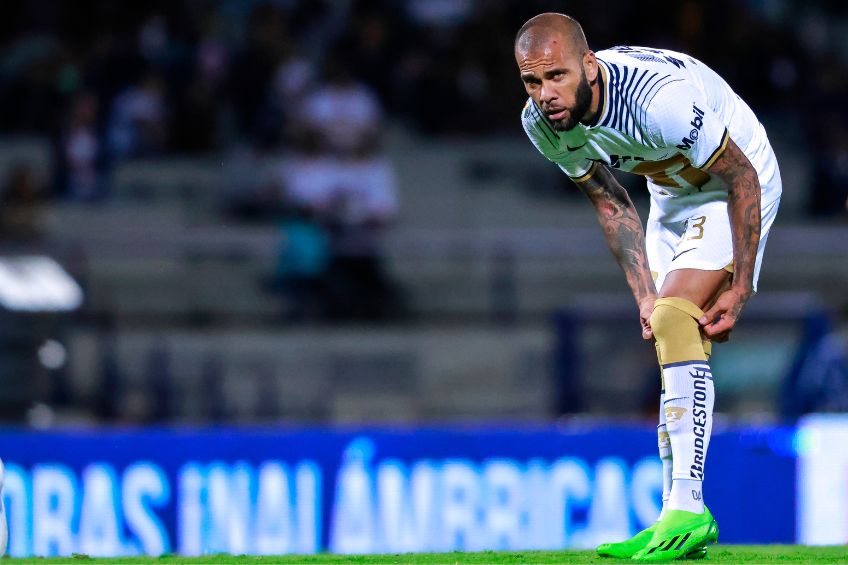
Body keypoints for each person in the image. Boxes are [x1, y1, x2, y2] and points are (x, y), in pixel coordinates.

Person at [515, 13, 781, 561]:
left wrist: (742, 285)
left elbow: (740, 177)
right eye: (532, 82)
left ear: (589, 67)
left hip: (737, 176)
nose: (546, 94)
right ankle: (673, 518)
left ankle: (688, 511)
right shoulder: (541, 124)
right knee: (666, 332)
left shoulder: (657, 100)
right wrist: (642, 293)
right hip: (670, 192)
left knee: (676, 317)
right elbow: (611, 202)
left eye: (558, 76)